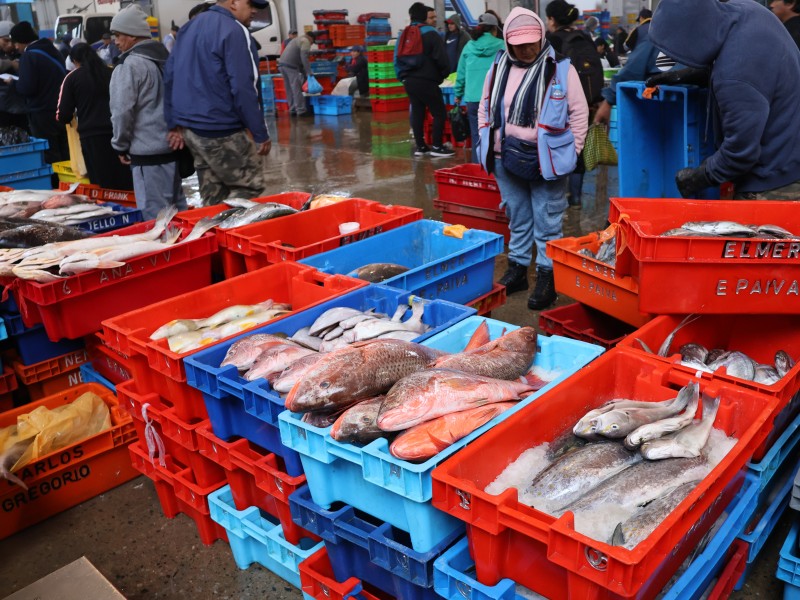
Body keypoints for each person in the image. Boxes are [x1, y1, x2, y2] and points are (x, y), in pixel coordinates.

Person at [478, 7, 588, 310]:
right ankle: (518, 268)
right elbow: (485, 106)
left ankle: (547, 275)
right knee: (517, 216)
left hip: (546, 161)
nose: (526, 49)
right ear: (507, 41)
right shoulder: (498, 66)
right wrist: (485, 134)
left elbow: (579, 114)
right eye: (519, 43)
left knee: (548, 220)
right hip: (505, 156)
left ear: (542, 36)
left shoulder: (562, 70)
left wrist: (571, 152)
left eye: (532, 42)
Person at [648, 0, 800, 200]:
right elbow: (758, 73)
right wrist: (690, 75)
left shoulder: (734, 78)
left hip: (776, 182)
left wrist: (699, 177)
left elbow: (740, 153)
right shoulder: (749, 10)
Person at [164, 0, 270, 206]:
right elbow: (244, 87)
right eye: (251, 4)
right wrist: (260, 132)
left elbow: (169, 76)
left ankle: (215, 235)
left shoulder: (189, 27)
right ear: (233, 2)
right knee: (250, 186)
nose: (255, 11)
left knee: (213, 194)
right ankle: (231, 230)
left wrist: (173, 123)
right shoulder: (235, 30)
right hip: (221, 128)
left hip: (191, 129)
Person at [109, 5, 187, 219]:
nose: (115, 41)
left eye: (118, 35)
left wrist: (120, 145)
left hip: (148, 156)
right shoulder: (165, 59)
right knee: (180, 216)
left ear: (132, 35)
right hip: (173, 150)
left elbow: (121, 112)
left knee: (158, 222)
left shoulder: (129, 66)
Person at [545, 0, 602, 210]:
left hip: (557, 105)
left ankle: (558, 195)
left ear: (552, 20)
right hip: (585, 104)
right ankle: (576, 197)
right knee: (578, 148)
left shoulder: (551, 41)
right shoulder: (584, 38)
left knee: (555, 148)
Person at [57, 43, 133, 190]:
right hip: (119, 132)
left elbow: (63, 114)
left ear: (74, 61)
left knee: (102, 183)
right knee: (125, 180)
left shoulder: (72, 78)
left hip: (92, 137)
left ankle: (111, 210)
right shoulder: (111, 72)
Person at [394, 2, 452, 157]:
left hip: (409, 81)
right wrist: (443, 75)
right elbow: (442, 59)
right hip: (428, 80)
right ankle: (437, 147)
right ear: (424, 16)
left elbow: (396, 59)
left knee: (418, 112)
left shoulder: (403, 34)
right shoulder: (431, 33)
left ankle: (421, 147)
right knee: (439, 113)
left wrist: (403, 78)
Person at [10, 21, 69, 166]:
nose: (16, 46)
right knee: (66, 151)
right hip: (61, 109)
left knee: (50, 154)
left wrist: (13, 83)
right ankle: (69, 184)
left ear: (23, 40)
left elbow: (27, 88)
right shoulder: (54, 51)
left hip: (42, 113)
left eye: (17, 42)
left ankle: (56, 186)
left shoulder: (29, 57)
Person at [454, 12, 503, 162]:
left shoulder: (469, 47)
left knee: (477, 136)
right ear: (495, 29)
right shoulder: (502, 46)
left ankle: (479, 169)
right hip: (496, 99)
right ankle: (497, 173)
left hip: (473, 100)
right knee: (498, 137)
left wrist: (458, 94)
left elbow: (460, 73)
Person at [279, 30, 314, 117]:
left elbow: (300, 61)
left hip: (282, 64)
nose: (311, 45)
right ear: (311, 38)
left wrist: (303, 72)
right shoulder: (305, 41)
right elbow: (304, 58)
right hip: (291, 66)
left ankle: (292, 109)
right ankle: (301, 110)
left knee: (289, 89)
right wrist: (309, 72)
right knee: (296, 88)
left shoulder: (297, 39)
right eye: (312, 42)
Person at [0, 20, 26, 130]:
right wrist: (10, 63)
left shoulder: (19, 52)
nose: (10, 44)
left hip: (20, 106)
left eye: (12, 41)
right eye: (5, 41)